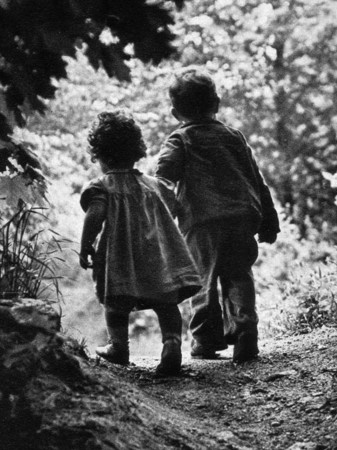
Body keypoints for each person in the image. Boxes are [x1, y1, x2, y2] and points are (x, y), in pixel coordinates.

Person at [155, 68, 280, 363]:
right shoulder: (234, 137)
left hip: (202, 222)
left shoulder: (180, 140)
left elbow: (162, 177)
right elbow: (256, 178)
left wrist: (171, 210)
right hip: (241, 216)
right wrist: (269, 218)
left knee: (202, 280)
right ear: (217, 103)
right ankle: (245, 329)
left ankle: (205, 340)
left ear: (175, 112)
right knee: (239, 274)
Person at [79, 111, 201, 376]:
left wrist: (85, 244)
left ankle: (119, 347)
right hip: (158, 255)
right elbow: (174, 205)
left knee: (115, 304)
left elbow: (95, 214)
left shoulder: (102, 186)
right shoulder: (154, 185)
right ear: (136, 151)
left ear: (101, 156)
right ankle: (171, 344)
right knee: (166, 302)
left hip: (119, 258)